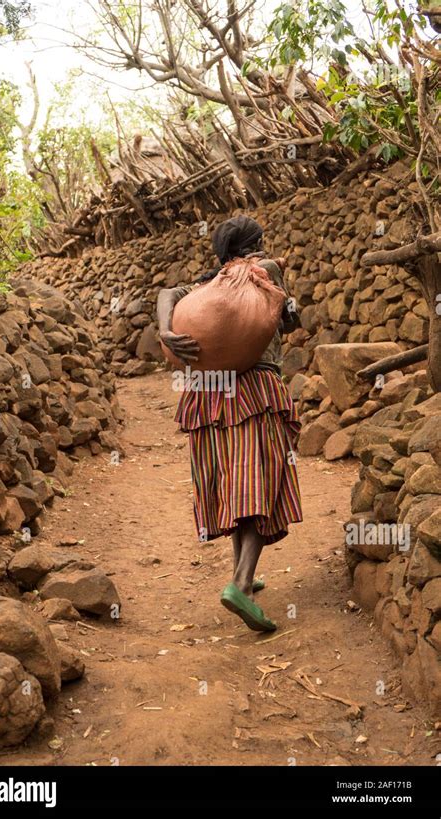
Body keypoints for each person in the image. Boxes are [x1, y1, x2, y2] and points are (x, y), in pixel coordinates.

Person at [157, 215, 302, 632]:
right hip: (256, 390)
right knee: (264, 481)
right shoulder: (266, 270)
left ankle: (243, 573)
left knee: (237, 482)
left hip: (207, 394)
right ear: (255, 244)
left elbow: (167, 291)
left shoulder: (207, 286)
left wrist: (166, 331)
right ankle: (239, 583)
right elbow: (290, 319)